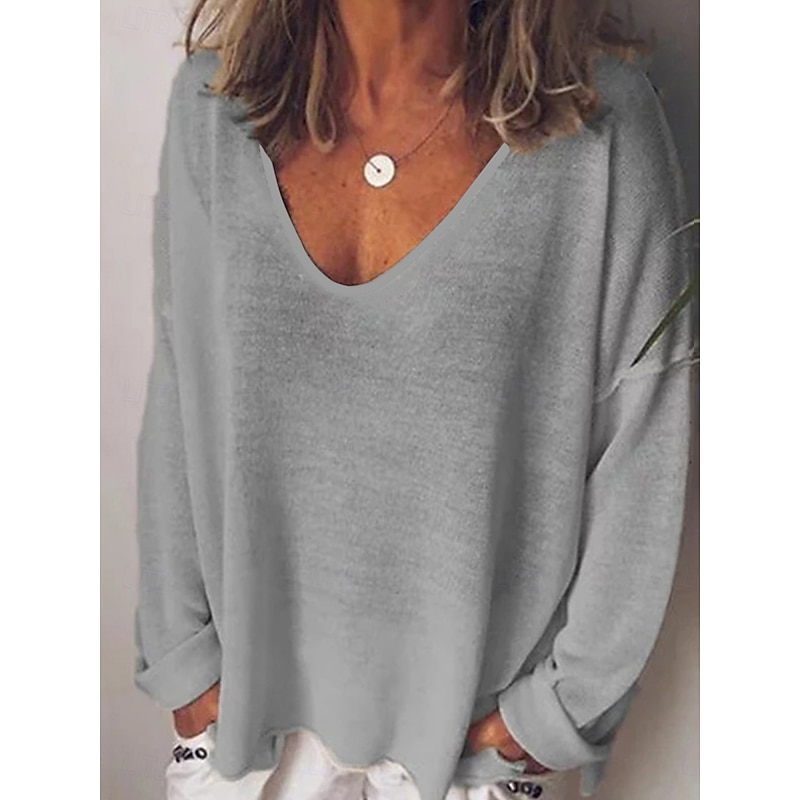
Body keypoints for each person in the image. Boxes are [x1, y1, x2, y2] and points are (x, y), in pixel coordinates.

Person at [132, 1, 696, 799]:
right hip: (247, 741)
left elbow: (643, 439)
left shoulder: (597, 126)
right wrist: (180, 650)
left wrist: (559, 709)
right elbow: (181, 385)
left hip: (471, 754)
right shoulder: (213, 112)